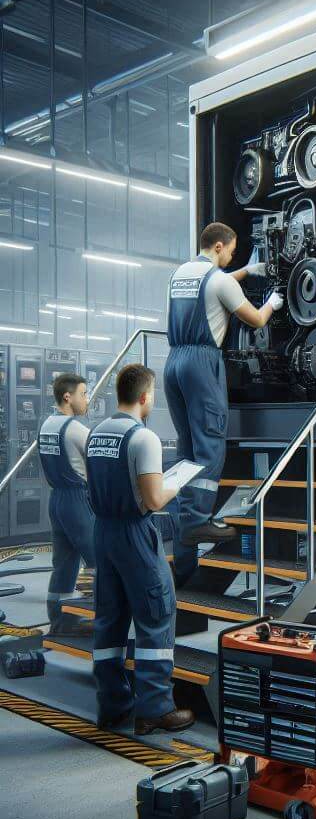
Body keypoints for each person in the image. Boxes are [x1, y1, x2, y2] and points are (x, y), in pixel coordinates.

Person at [164, 221, 283, 581]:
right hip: (202, 363)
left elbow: (219, 280)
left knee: (187, 448)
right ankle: (199, 522)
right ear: (219, 247)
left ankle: (185, 527)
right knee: (211, 445)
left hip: (174, 361)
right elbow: (256, 319)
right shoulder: (221, 281)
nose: (231, 256)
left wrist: (249, 270)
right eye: (231, 251)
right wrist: (273, 304)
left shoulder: (181, 274)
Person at [88, 364, 192, 734]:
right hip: (135, 533)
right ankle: (155, 708)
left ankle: (112, 706)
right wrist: (176, 483)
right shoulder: (143, 438)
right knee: (156, 612)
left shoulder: (97, 432)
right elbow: (153, 499)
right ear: (146, 396)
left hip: (104, 533)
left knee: (109, 618)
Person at [38, 373, 95, 633]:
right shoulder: (76, 429)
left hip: (56, 501)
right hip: (76, 501)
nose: (87, 399)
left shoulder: (46, 425)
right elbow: (101, 461)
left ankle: (59, 622)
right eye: (83, 394)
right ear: (67, 397)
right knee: (99, 561)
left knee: (63, 564)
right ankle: (102, 618)